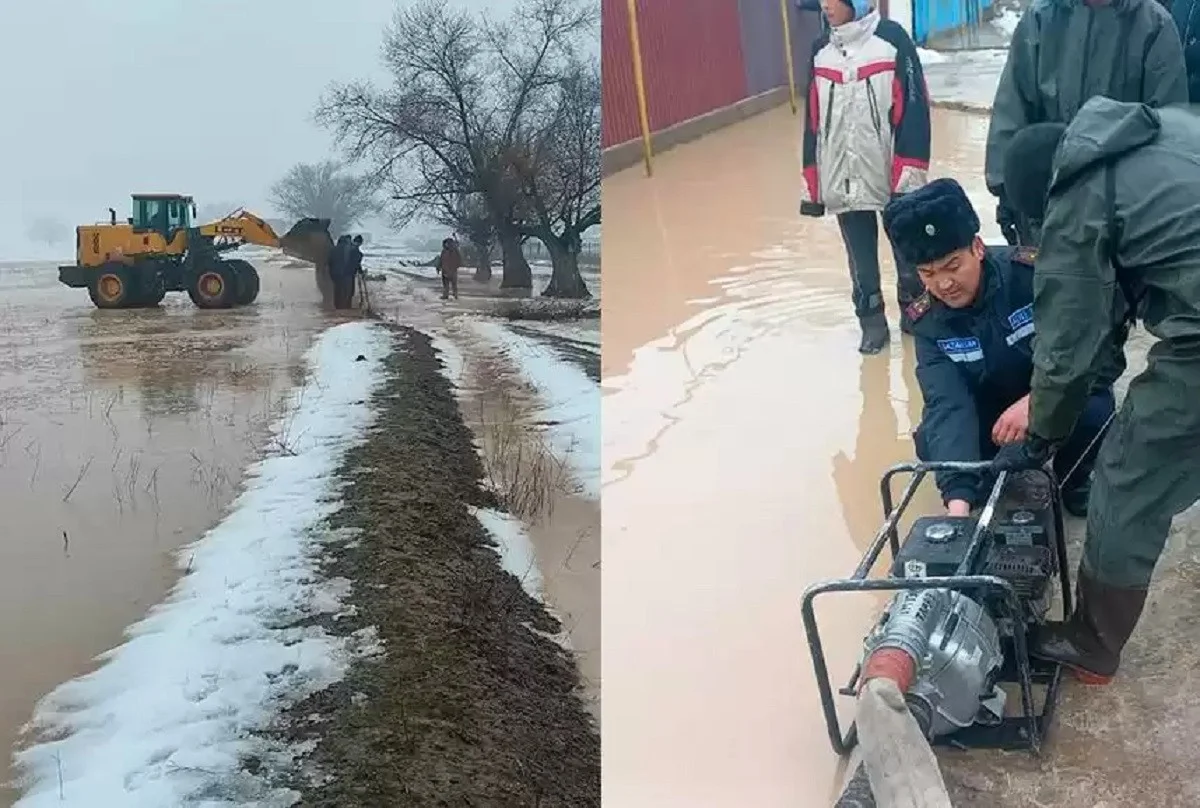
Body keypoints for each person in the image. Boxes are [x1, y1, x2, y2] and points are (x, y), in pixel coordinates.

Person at [990, 96, 1200, 684]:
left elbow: (1068, 344)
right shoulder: (1150, 137)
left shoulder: (1076, 198)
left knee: (1131, 471)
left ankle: (1091, 643)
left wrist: (1042, 433)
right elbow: (1110, 322)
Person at [881, 178, 1116, 520]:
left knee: (1096, 407)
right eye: (928, 273)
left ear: (977, 247)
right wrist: (957, 506)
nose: (943, 284)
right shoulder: (927, 321)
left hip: (1053, 389)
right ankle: (979, 489)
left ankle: (1073, 481)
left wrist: (1039, 401)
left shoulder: (1033, 277)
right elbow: (948, 403)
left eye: (952, 266)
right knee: (931, 441)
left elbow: (1092, 349)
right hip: (993, 413)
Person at [984, 0, 1187, 248]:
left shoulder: (1154, 25)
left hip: (1122, 216)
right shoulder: (1040, 19)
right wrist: (1006, 192)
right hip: (1045, 210)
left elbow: (1168, 131)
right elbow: (1012, 108)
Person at [799, 0, 930, 354]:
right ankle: (872, 324)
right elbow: (812, 122)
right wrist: (812, 180)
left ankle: (915, 317)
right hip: (843, 175)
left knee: (909, 257)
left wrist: (909, 172)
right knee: (861, 263)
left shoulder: (892, 41)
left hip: (890, 174)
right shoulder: (819, 51)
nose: (825, 5)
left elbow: (915, 109)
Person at [330, 234, 354, 309]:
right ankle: (346, 306)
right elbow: (349, 261)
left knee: (337, 290)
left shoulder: (333, 249)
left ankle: (337, 306)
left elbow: (329, 262)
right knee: (347, 291)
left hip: (335, 273)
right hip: (345, 273)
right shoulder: (348, 249)